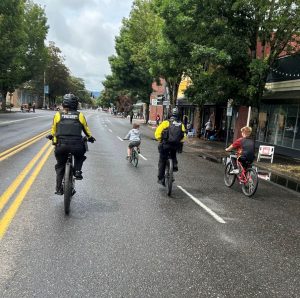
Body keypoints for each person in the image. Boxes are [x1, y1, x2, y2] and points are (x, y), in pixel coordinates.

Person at [47, 94, 96, 195]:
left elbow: (53, 130)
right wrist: (90, 137)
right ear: (76, 104)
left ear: (64, 103)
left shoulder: (58, 115)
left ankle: (58, 189)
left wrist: (52, 137)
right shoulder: (80, 115)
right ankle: (77, 171)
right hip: (76, 145)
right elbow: (86, 130)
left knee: (60, 166)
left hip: (61, 146)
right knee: (79, 156)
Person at [155, 107, 186, 185]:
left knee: (162, 160)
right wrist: (180, 142)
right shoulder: (181, 124)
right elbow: (184, 136)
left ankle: (161, 178)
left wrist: (160, 139)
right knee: (173, 154)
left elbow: (157, 134)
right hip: (175, 145)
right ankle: (174, 165)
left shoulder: (165, 122)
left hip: (165, 145)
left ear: (170, 115)